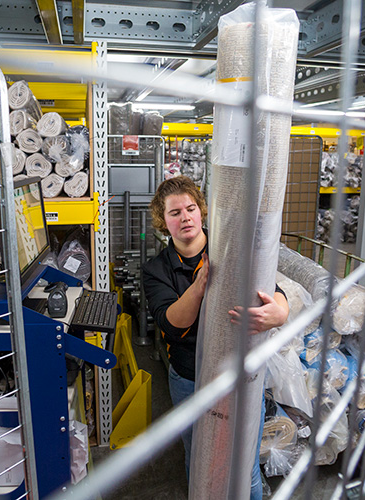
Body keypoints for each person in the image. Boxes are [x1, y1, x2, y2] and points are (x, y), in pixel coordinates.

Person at [142, 175, 289, 500]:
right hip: (190, 378)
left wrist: (280, 313)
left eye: (190, 208)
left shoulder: (232, 248)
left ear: (202, 211)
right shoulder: (157, 270)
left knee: (243, 461)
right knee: (200, 457)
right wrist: (199, 285)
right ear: (163, 221)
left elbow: (273, 291)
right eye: (174, 213)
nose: (185, 218)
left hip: (241, 375)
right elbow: (170, 324)